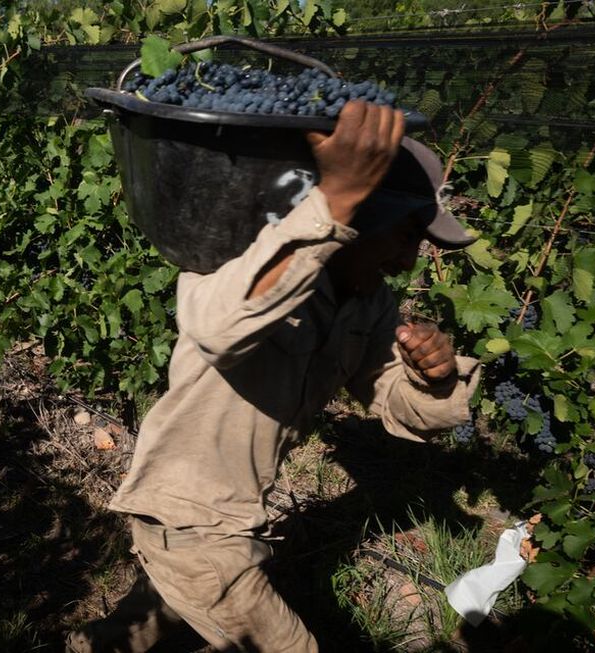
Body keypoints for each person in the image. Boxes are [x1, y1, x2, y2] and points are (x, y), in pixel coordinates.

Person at [67, 101, 481, 652]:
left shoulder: (368, 303)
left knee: (144, 626)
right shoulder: (236, 263)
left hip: (237, 518)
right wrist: (331, 201)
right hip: (191, 521)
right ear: (359, 214)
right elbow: (218, 328)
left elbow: (401, 409)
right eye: (405, 235)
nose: (409, 261)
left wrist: (435, 378)